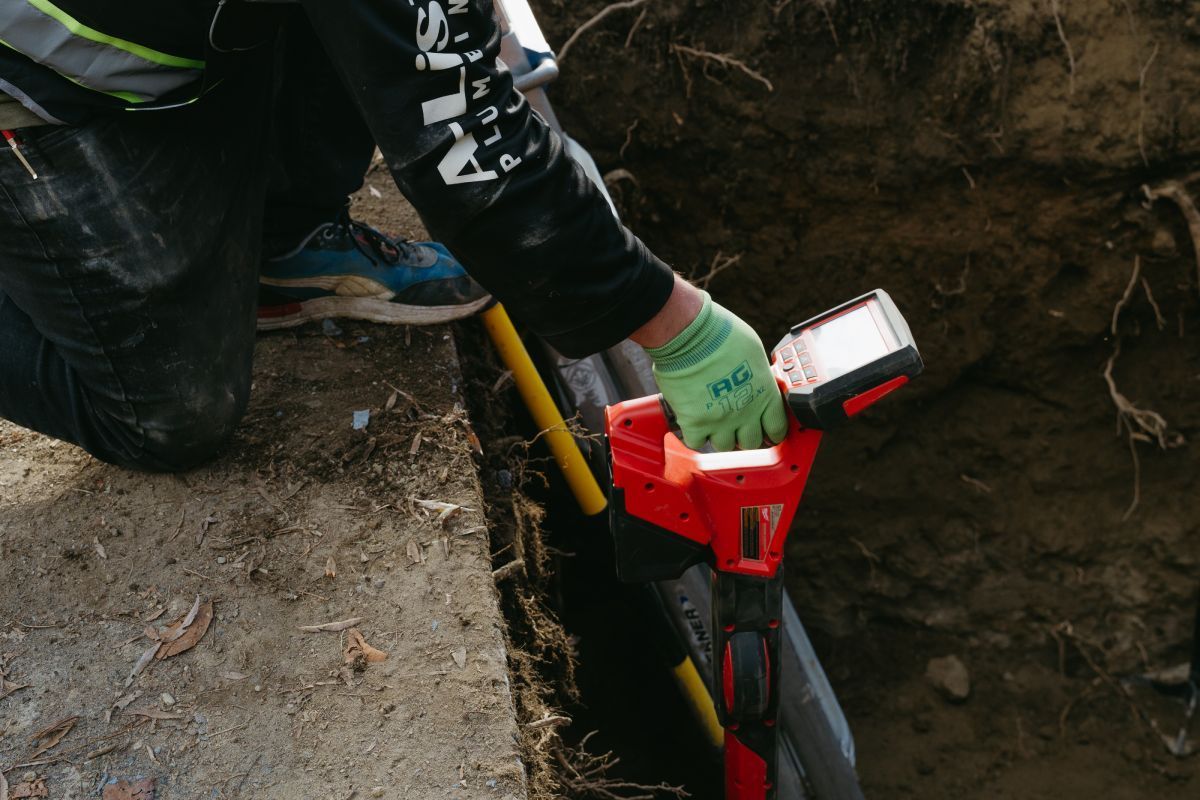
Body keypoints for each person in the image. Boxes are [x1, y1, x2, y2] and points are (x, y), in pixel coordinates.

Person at [0, 0, 787, 473]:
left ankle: (281, 239)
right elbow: (460, 140)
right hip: (28, 72)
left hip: (159, 30)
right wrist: (674, 324)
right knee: (167, 415)